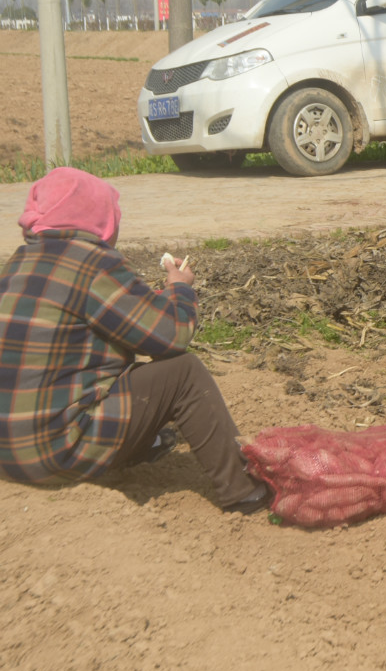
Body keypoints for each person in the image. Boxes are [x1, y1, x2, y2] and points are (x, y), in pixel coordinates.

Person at [0, 168, 271, 512]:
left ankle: (145, 445)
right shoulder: (93, 264)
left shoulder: (16, 264)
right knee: (183, 373)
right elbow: (172, 335)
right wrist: (180, 288)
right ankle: (246, 491)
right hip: (54, 454)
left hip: (7, 456)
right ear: (101, 220)